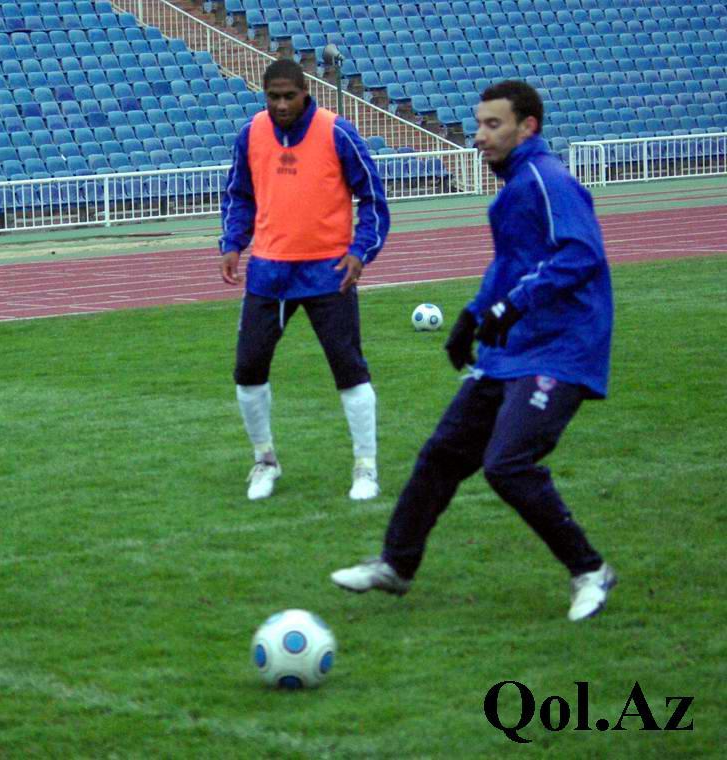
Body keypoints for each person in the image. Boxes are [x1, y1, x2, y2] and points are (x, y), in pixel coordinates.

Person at [331, 81, 616, 622]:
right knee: (442, 454)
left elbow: (582, 254)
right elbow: (509, 265)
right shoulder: (512, 190)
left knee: (507, 464)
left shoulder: (546, 179)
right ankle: (396, 565)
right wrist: (472, 314)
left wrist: (512, 306)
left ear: (527, 127)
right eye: (478, 124)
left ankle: (589, 570)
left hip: (561, 350)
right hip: (513, 353)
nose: (479, 136)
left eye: (493, 125)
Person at [219, 58, 390, 502]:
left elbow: (373, 197)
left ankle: (366, 467)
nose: (280, 105)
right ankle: (264, 459)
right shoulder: (251, 134)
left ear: (305, 93)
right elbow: (239, 195)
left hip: (328, 273)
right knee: (247, 370)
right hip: (268, 273)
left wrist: (360, 252)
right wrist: (233, 242)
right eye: (272, 96)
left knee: (349, 370)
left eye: (288, 96)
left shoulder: (337, 132)